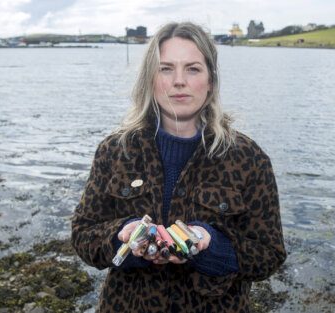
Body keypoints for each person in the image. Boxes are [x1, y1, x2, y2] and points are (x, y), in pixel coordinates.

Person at [71, 22, 286, 313]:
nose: (179, 81)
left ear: (211, 80)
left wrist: (211, 245)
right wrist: (123, 235)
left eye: (193, 69)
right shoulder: (114, 151)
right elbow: (83, 234)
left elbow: (269, 255)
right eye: (166, 68)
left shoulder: (249, 159)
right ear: (150, 78)